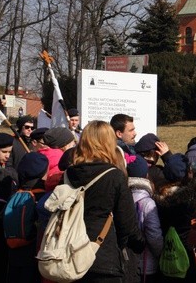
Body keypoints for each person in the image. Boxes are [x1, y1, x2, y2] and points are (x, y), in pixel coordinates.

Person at [64, 120, 145, 282]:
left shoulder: (68, 174)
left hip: (71, 252)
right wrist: (133, 244)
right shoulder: (114, 176)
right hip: (104, 253)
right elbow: (127, 223)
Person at [7, 152, 48, 283]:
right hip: (34, 253)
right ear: (43, 174)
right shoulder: (44, 199)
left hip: (13, 253)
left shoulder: (14, 195)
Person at [126, 156, 164, 283]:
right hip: (147, 264)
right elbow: (154, 235)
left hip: (127, 261)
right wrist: (160, 253)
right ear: (146, 175)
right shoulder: (148, 203)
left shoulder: (123, 198)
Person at [39, 127, 76, 191]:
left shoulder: (41, 156)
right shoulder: (61, 162)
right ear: (66, 144)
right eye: (73, 142)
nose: (74, 145)